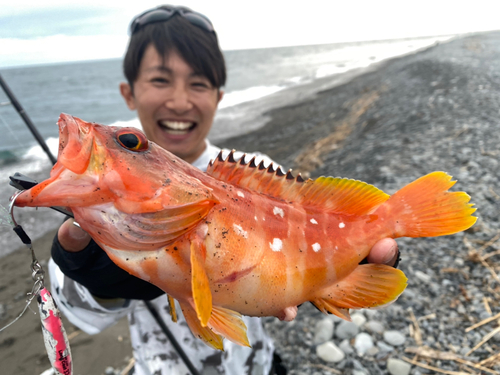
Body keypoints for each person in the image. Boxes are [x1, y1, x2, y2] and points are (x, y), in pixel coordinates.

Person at [48, 5, 400, 375]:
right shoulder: (96, 200)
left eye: (198, 83)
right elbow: (75, 311)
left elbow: (314, 223)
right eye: (160, 80)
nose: (180, 101)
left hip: (255, 365)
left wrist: (344, 261)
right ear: (128, 93)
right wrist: (90, 274)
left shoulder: (261, 170)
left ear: (218, 96)